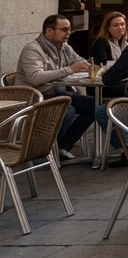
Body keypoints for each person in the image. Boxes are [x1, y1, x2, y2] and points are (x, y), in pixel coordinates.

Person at [16, 15, 94, 159]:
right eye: (64, 29)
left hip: (55, 92)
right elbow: (35, 77)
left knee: (93, 105)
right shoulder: (33, 50)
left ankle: (63, 146)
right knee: (67, 109)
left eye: (70, 29)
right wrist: (69, 69)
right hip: (34, 96)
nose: (68, 33)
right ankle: (44, 149)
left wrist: (87, 66)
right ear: (49, 31)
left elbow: (79, 61)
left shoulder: (64, 47)